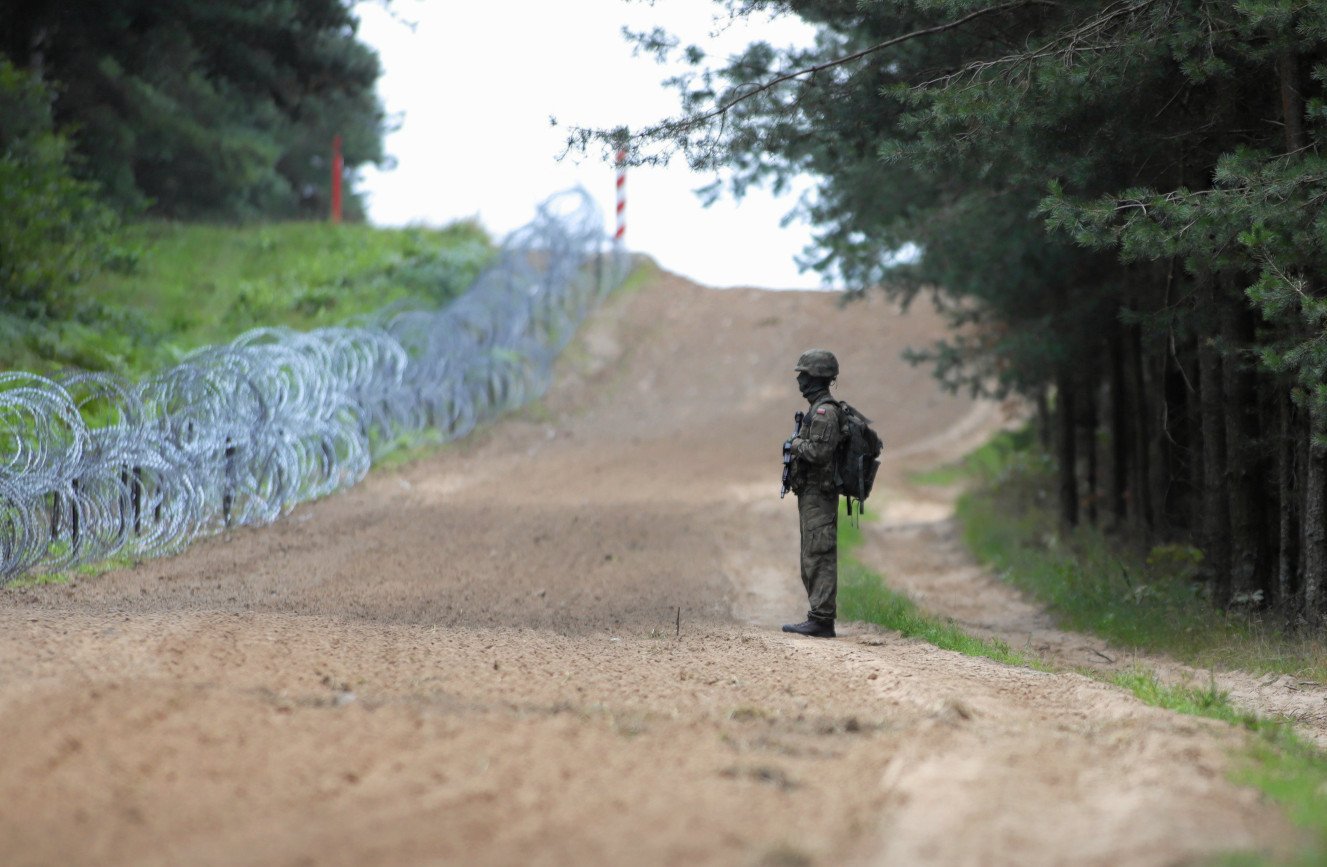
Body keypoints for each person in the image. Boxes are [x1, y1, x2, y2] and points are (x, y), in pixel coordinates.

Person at [782, 349, 842, 638]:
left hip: (820, 493)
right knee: (811, 553)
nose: (800, 382)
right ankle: (818, 616)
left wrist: (795, 446)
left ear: (817, 377)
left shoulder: (824, 412)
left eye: (804, 375)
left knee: (819, 553)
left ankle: (821, 619)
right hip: (812, 494)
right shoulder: (817, 409)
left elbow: (819, 452)